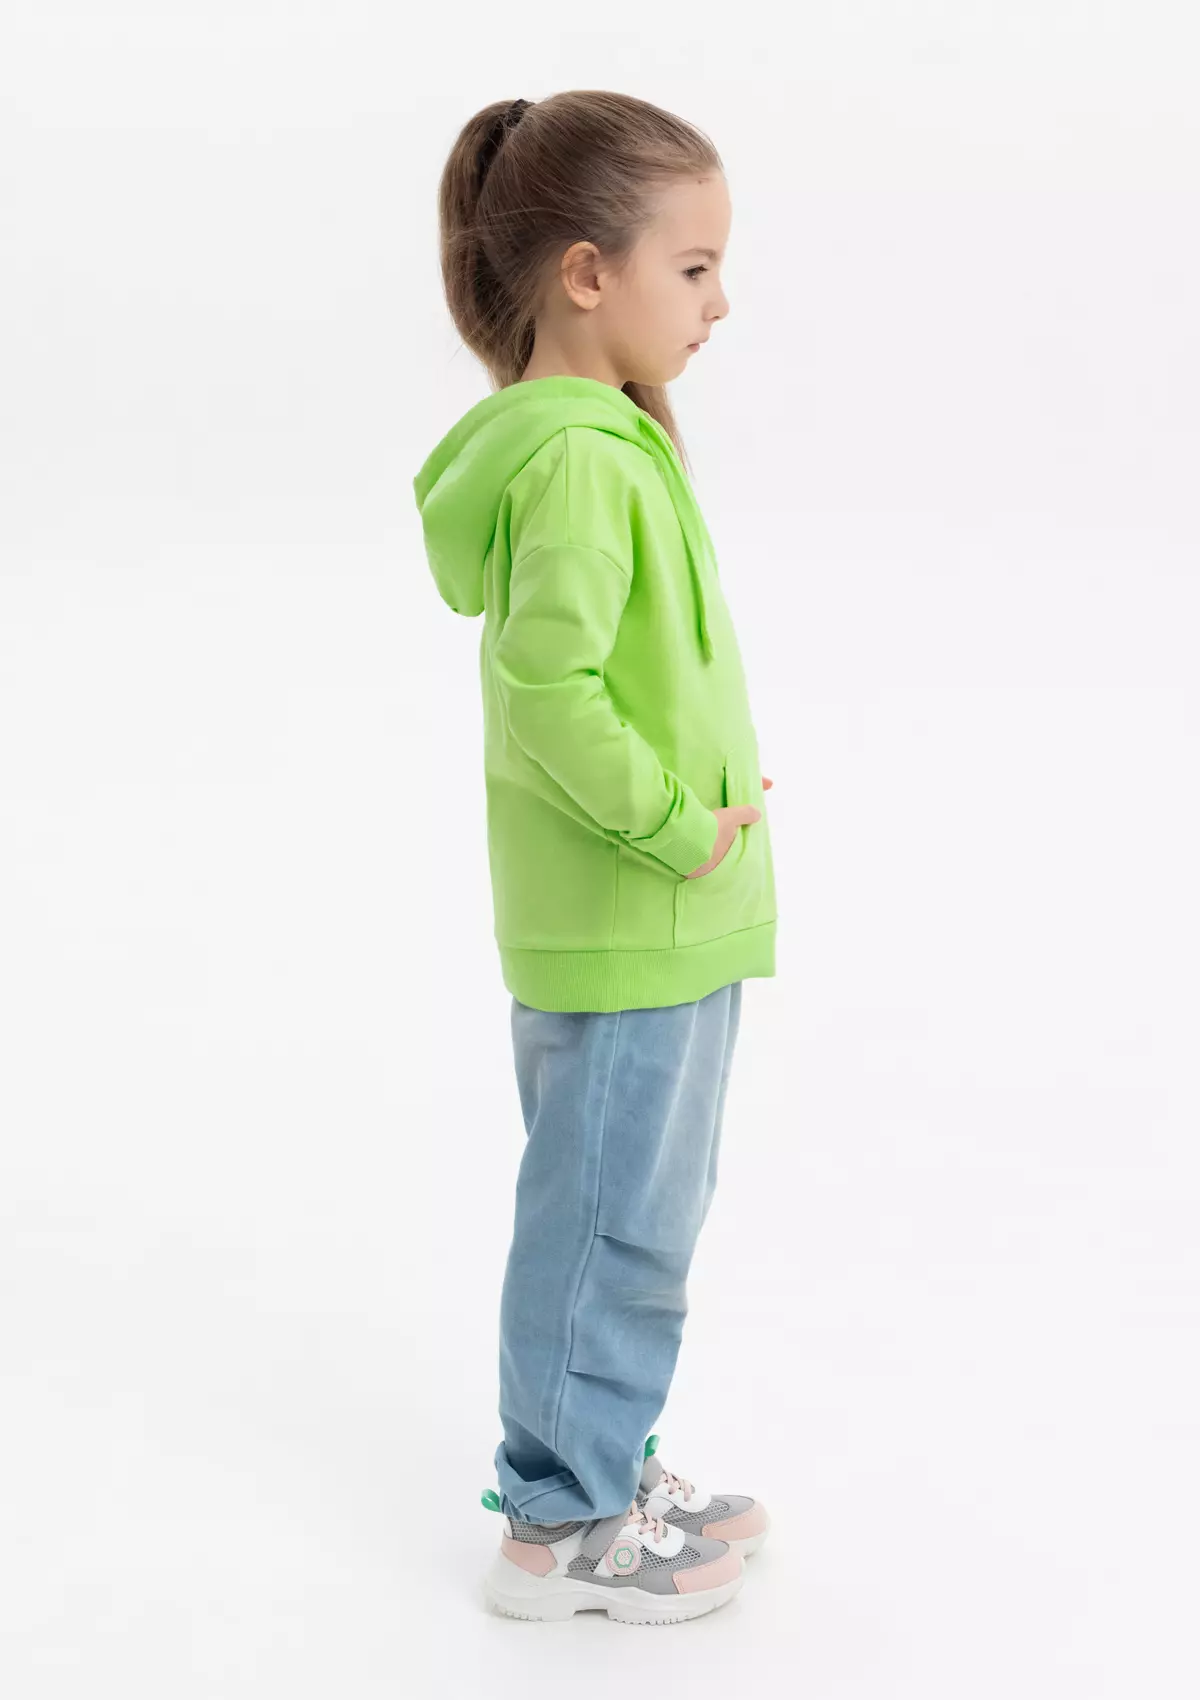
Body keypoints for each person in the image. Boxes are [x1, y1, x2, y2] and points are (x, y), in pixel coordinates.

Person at [413, 89, 777, 1625]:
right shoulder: (574, 460)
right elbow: (547, 691)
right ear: (584, 274)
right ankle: (560, 1523)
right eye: (692, 267)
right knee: (607, 1225)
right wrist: (681, 824)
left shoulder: (612, 443)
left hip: (666, 912)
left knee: (639, 1217)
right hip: (636, 906)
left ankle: (602, 1465)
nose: (719, 300)